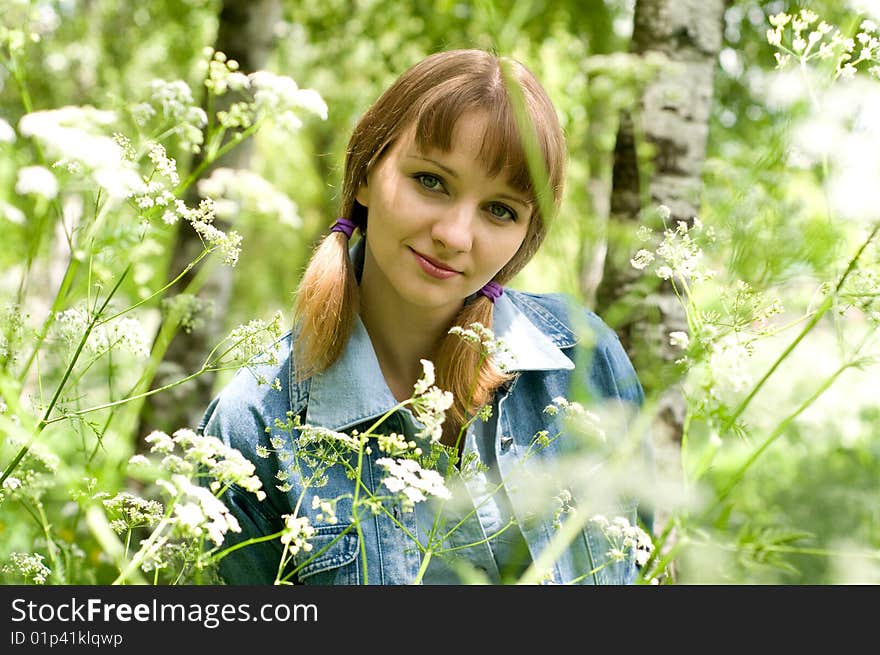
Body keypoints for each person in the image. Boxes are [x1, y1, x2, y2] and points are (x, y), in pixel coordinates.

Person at [198, 48, 651, 586]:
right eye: (431, 181)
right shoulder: (254, 427)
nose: (455, 236)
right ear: (366, 174)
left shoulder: (585, 359)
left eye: (500, 210)